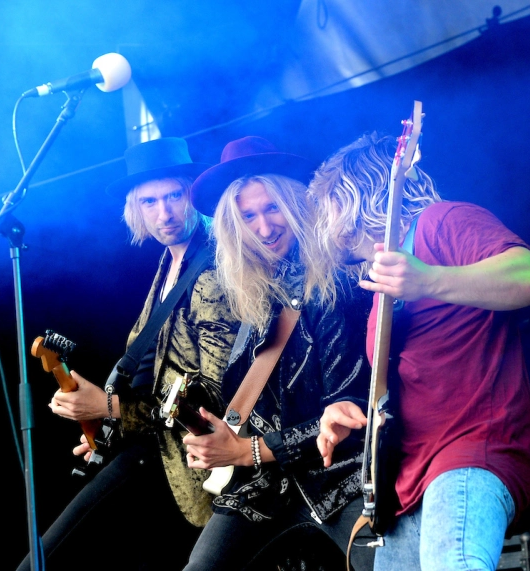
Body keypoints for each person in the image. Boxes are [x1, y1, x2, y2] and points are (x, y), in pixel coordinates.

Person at [308, 131, 530, 571]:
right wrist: (354, 414)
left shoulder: (443, 221)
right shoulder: (388, 279)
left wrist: (429, 280)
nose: (327, 227)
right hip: (406, 480)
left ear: (355, 199)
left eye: (330, 205)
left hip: (470, 451)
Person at [17, 137, 240, 571]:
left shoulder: (213, 267)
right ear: (134, 209)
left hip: (191, 462)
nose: (164, 213)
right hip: (150, 448)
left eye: (174, 196)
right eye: (149, 201)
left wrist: (109, 407)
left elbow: (215, 396)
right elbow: (153, 372)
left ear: (194, 194)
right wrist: (107, 424)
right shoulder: (170, 262)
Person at [180, 136, 375, 571]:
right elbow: (251, 408)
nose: (265, 228)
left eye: (273, 208)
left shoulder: (335, 284)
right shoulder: (254, 295)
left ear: (295, 205)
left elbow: (350, 415)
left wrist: (246, 451)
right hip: (267, 487)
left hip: (342, 479)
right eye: (248, 216)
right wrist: (217, 437)